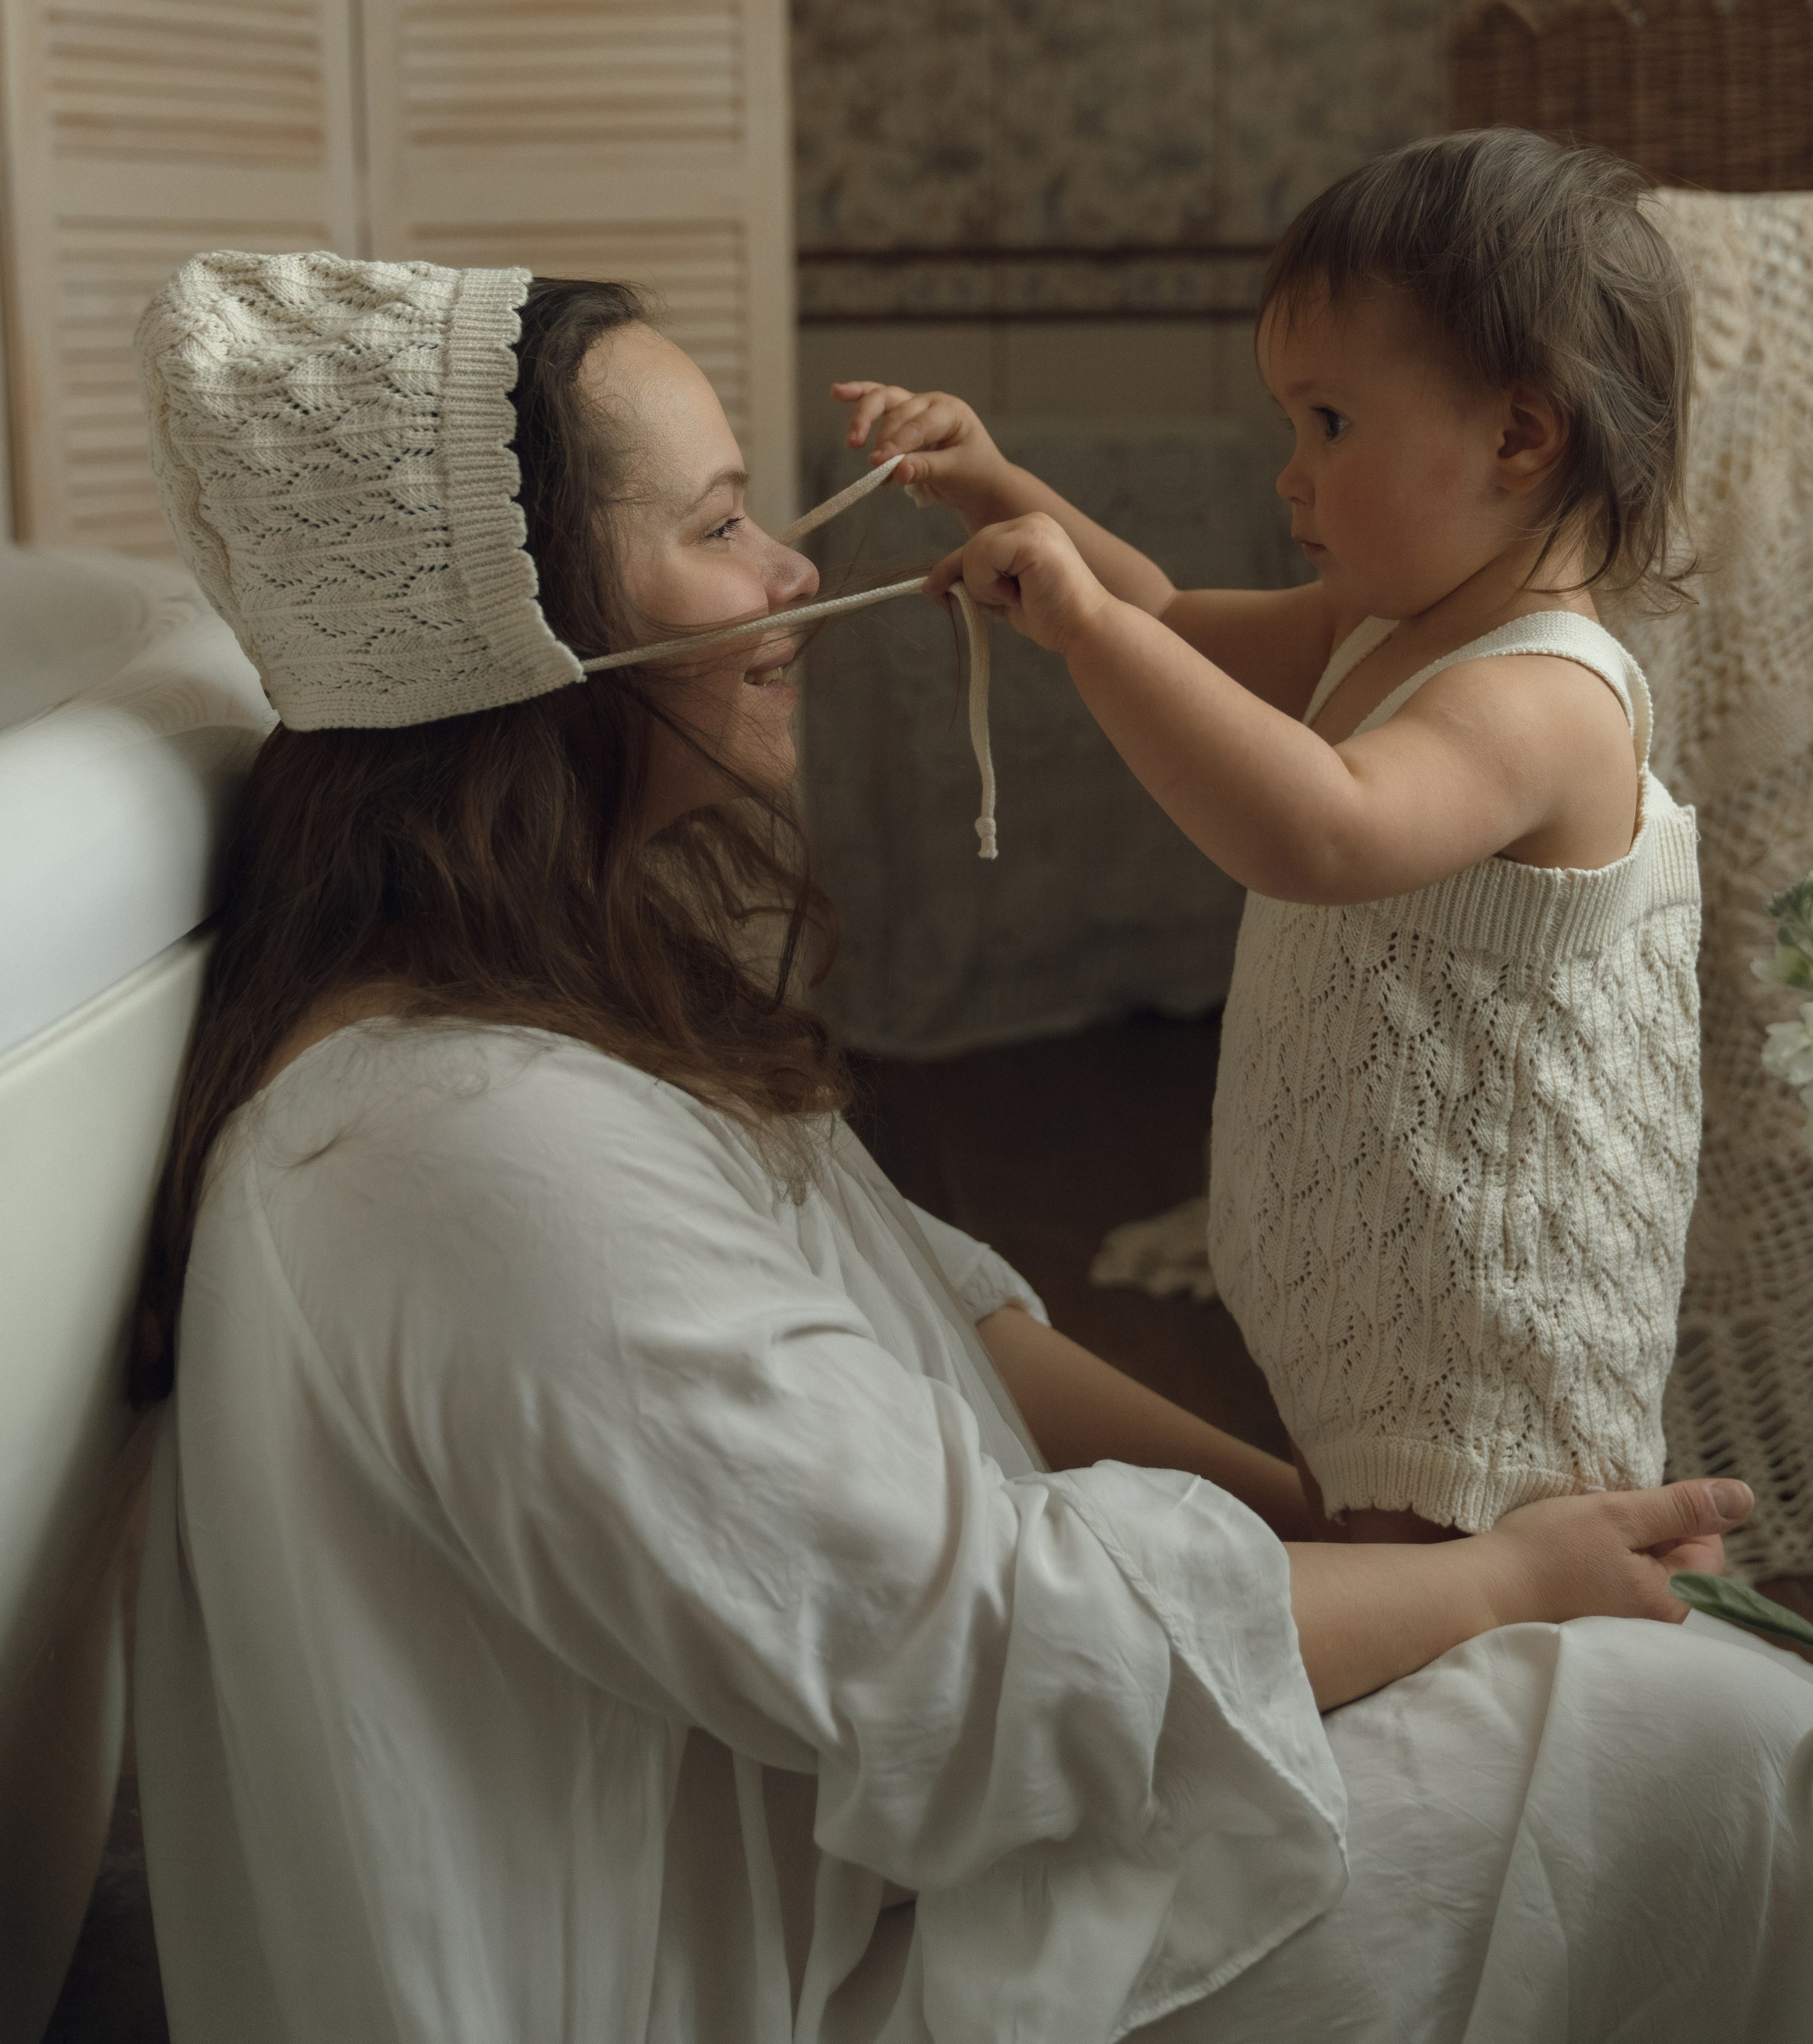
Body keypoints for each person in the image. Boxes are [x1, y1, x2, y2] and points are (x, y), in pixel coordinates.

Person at [130, 251, 1813, 2044]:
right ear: (520, 626)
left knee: (1668, 1692)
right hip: (797, 1991)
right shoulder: (467, 1153)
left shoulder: (542, 1014)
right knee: (1723, 1744)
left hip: (871, 1894)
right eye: (719, 526)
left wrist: (1354, 1541)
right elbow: (979, 1661)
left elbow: (954, 1325)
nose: (793, 570)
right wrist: (1482, 1585)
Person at [840, 132, 1702, 1551]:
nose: (1290, 475)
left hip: (1489, 1363)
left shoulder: (1545, 695)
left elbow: (1323, 829)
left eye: (1330, 424)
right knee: (1354, 1526)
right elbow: (1171, 624)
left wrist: (1081, 628)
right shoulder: (1381, 624)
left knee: (1435, 1620)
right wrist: (994, 485)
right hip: (1383, 1304)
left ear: (1517, 437)